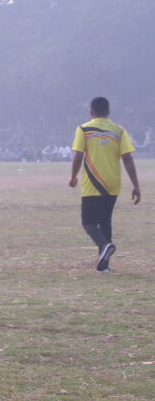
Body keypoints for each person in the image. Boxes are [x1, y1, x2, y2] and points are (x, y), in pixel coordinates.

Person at [68, 96, 140, 272]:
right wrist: (136, 185)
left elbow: (78, 156)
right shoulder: (119, 130)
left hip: (93, 182)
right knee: (105, 221)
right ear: (108, 112)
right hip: (113, 183)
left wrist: (73, 176)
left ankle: (105, 245)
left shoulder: (84, 129)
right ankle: (104, 265)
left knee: (88, 223)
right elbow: (128, 158)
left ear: (91, 112)